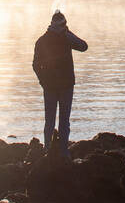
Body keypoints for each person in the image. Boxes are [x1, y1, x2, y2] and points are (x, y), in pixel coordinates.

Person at [32, 10, 87, 158]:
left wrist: (43, 81)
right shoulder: (66, 38)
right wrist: (69, 33)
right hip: (65, 86)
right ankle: (63, 152)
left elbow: (35, 65)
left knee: (49, 121)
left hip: (50, 86)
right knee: (64, 121)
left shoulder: (42, 40)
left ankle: (47, 151)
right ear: (64, 24)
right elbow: (83, 46)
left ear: (51, 23)